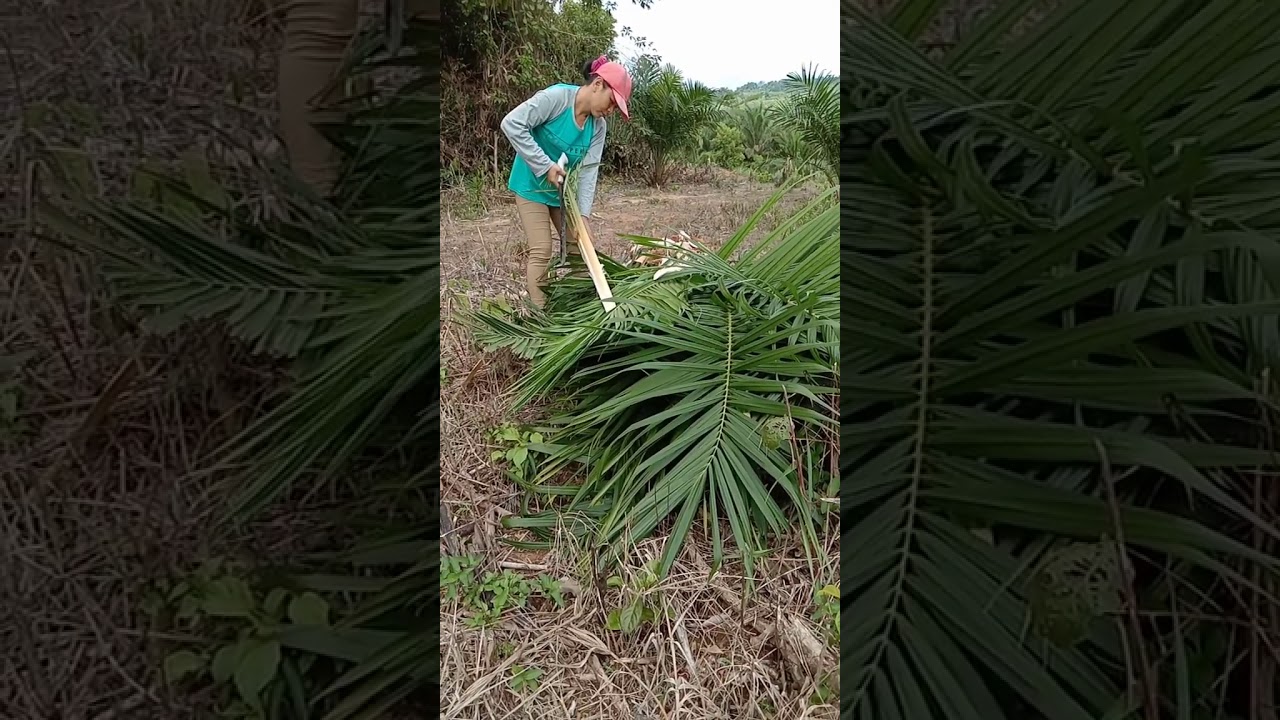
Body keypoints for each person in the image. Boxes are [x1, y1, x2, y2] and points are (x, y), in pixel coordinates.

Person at [500, 55, 633, 307]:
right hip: (530, 187)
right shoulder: (556, 99)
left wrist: (583, 216)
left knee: (581, 249)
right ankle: (542, 318)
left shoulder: (598, 126)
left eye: (616, 107)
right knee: (542, 249)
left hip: (562, 193)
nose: (610, 110)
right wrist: (544, 165)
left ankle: (580, 313)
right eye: (611, 102)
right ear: (597, 85)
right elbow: (512, 123)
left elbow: (588, 172)